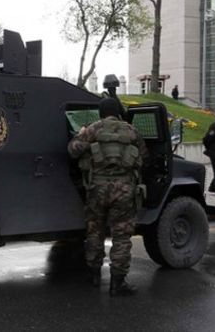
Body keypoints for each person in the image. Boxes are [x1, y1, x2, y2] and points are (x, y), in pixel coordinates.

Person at [68, 98, 147, 297]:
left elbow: (73, 151)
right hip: (124, 190)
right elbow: (144, 156)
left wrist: (79, 135)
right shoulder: (131, 131)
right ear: (118, 113)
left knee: (95, 231)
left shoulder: (93, 129)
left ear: (101, 113)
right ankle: (117, 283)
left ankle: (94, 276)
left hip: (97, 188)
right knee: (121, 236)